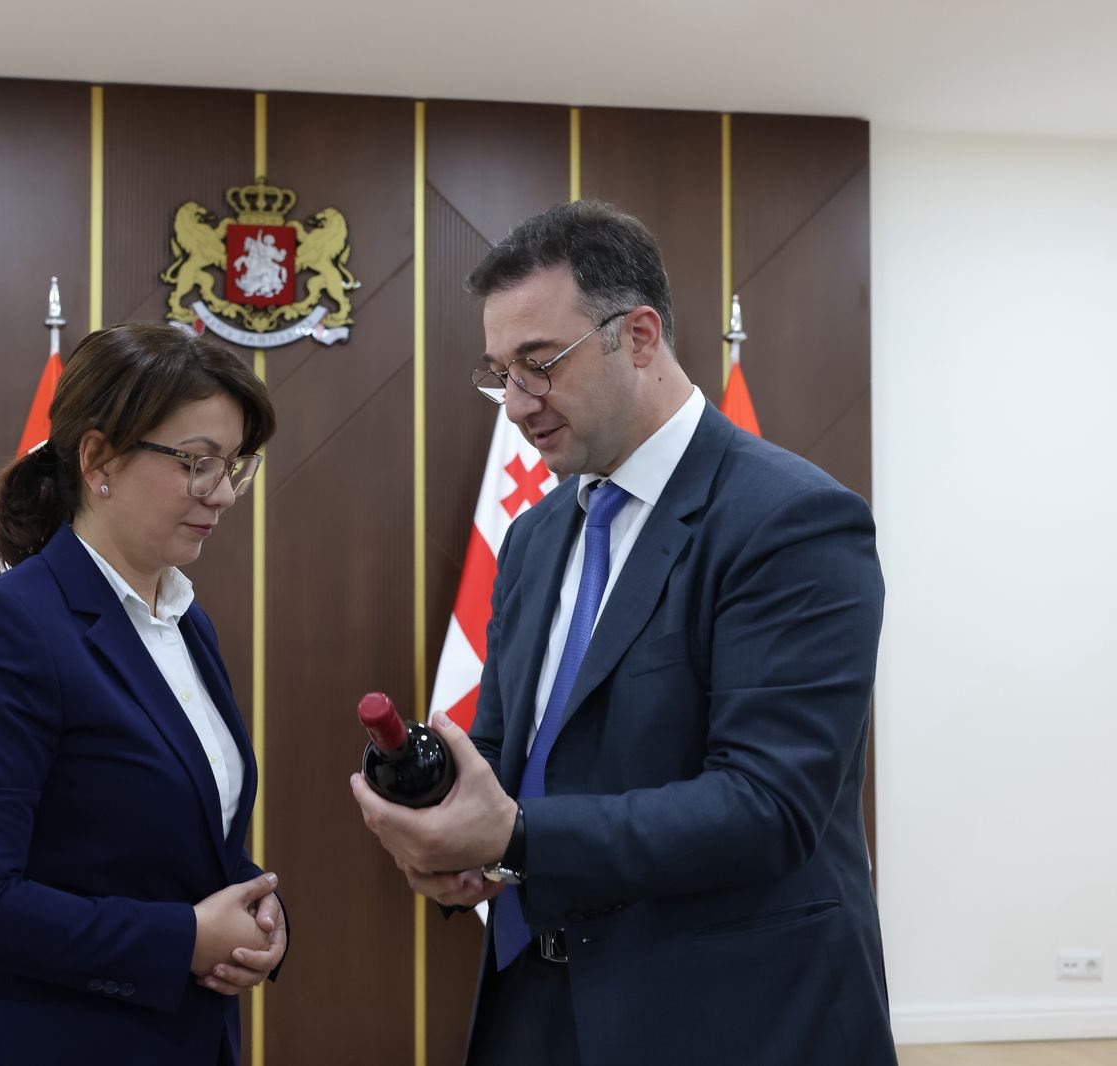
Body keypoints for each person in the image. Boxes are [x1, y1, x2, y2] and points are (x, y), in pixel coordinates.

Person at [350, 200, 895, 1064]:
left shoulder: (791, 521)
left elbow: (768, 805)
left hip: (727, 1016)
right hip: (533, 1000)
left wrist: (516, 838)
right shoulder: (534, 536)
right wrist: (447, 825)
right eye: (500, 374)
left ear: (639, 336)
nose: (516, 405)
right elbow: (509, 753)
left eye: (539, 365)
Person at [0, 324, 286, 1065]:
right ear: (98, 460)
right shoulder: (12, 624)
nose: (222, 493)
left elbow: (171, 843)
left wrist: (261, 912)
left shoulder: (185, 621)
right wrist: (184, 939)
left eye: (234, 466)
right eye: (197, 463)